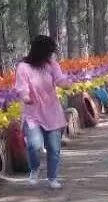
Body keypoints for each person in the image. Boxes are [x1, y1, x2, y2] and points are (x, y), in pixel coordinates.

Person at [13, 35, 69, 189]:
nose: (51, 55)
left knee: (54, 148)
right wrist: (25, 97)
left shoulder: (52, 65)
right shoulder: (23, 67)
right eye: (49, 52)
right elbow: (21, 86)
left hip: (52, 112)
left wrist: (66, 83)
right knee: (34, 145)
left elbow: (59, 79)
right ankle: (34, 168)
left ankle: (52, 178)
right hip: (32, 113)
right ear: (40, 51)